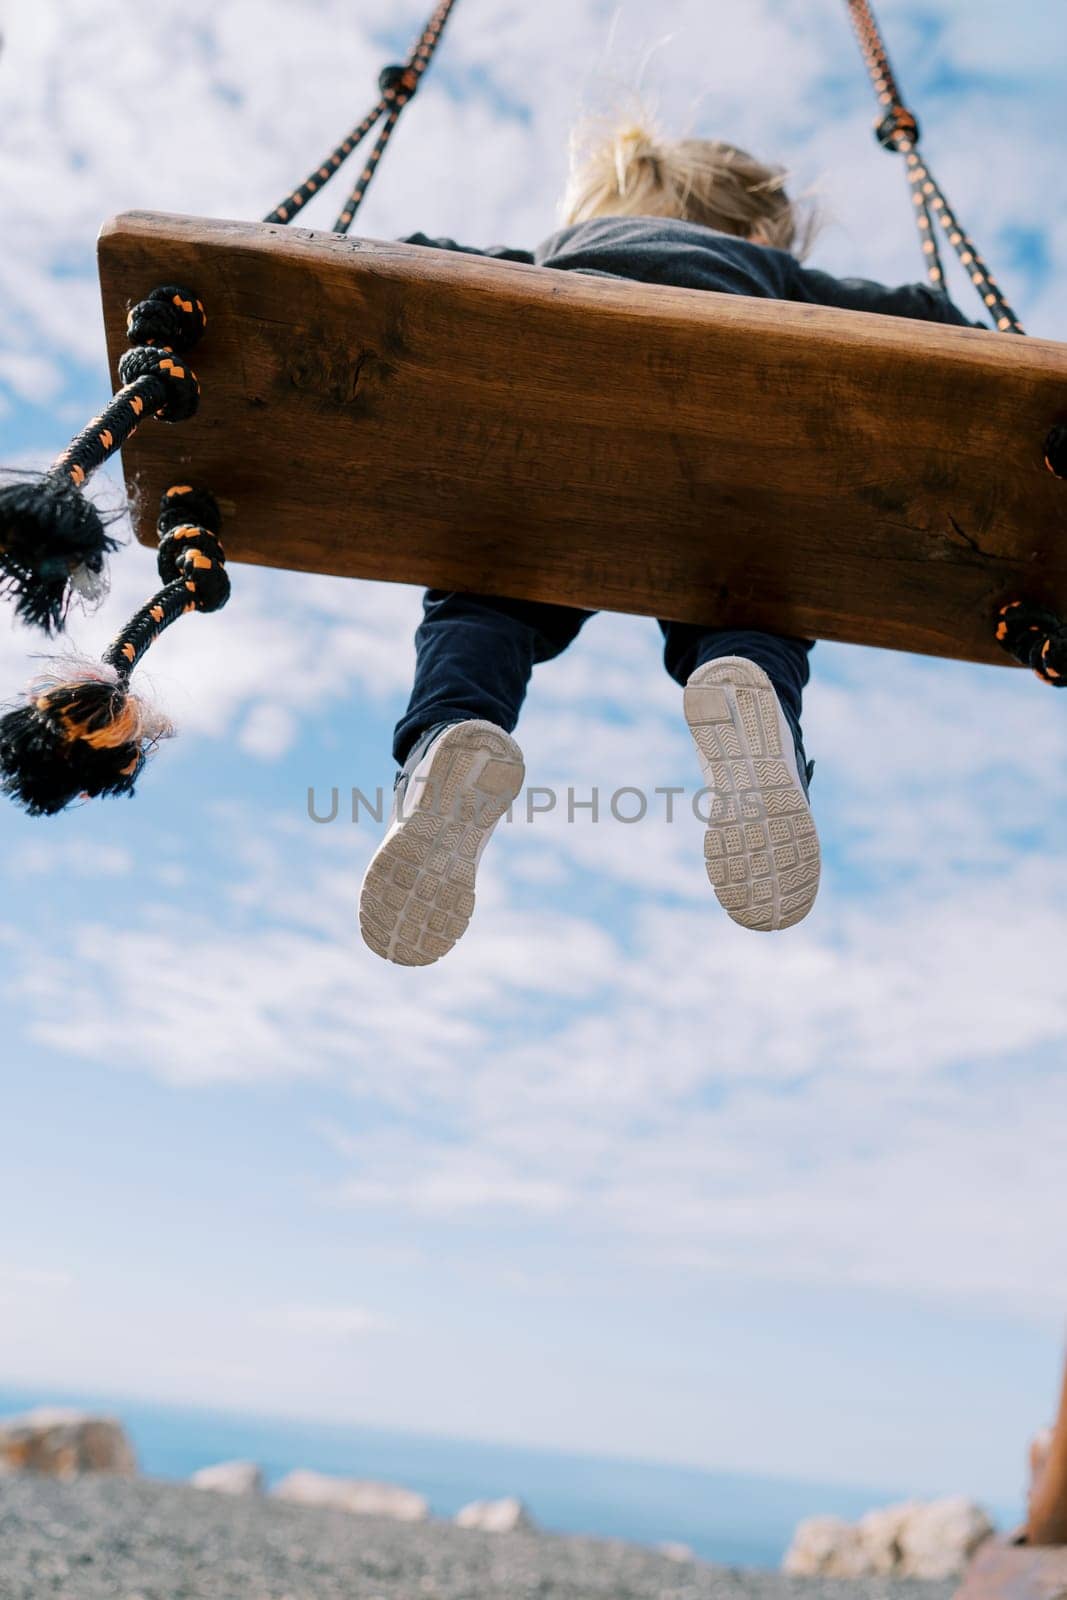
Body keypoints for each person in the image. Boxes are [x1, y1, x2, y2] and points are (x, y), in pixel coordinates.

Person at [359, 123, 979, 967]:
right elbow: (921, 315)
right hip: (728, 467)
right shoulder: (774, 273)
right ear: (756, 231)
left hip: (550, 463)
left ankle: (446, 741)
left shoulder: (554, 250)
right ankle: (753, 689)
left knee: (485, 595)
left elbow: (423, 260)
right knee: (754, 597)